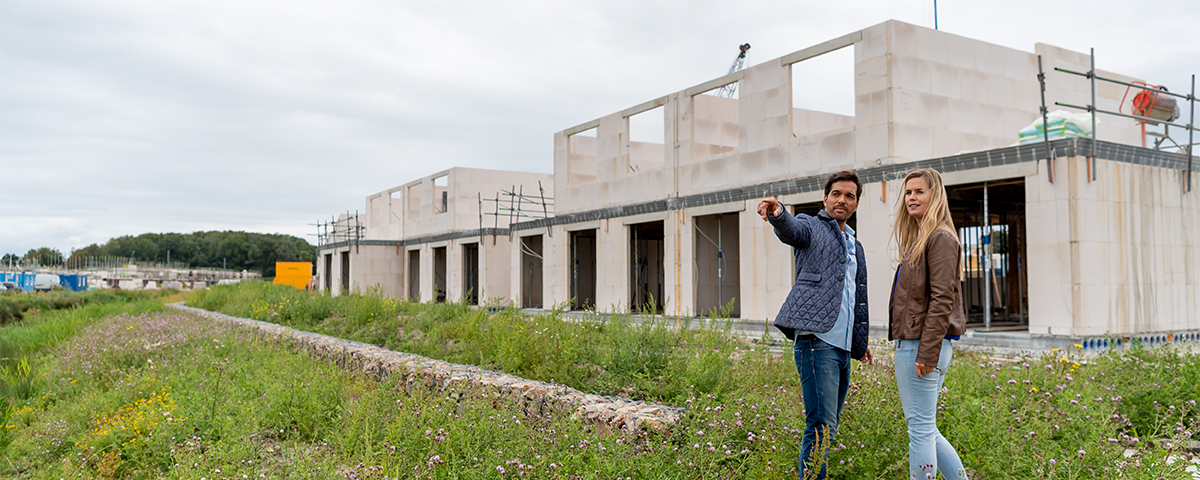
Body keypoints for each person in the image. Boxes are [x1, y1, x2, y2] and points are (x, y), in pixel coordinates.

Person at [757, 170, 873, 480]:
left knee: (828, 426)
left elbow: (854, 297)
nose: (842, 200)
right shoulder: (812, 226)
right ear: (825, 199)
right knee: (820, 426)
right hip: (816, 340)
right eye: (836, 193)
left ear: (856, 204)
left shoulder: (855, 245)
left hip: (843, 347)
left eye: (849, 195)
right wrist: (779, 213)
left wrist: (860, 342)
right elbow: (792, 230)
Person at [888, 168, 969, 480]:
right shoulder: (923, 238)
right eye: (908, 192)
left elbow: (942, 298)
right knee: (926, 429)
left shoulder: (940, 238)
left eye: (919, 191)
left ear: (934, 196)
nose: (911, 198)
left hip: (921, 347)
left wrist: (927, 352)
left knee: (920, 432)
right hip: (919, 345)